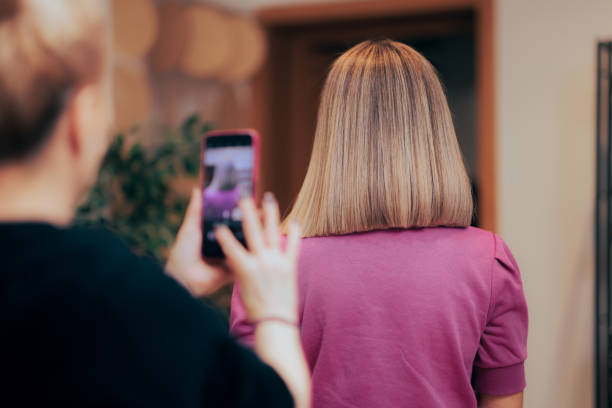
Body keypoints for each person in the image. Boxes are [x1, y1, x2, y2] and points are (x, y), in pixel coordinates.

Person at [0, 1, 310, 406]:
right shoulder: (123, 298)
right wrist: (273, 312)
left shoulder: (129, 300)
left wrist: (176, 285)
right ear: (82, 117)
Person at [230, 40, 528, 407]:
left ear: (333, 131)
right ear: (434, 130)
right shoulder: (489, 260)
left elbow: (250, 395)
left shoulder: (272, 264)